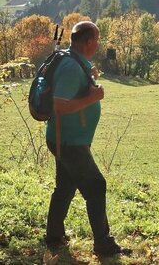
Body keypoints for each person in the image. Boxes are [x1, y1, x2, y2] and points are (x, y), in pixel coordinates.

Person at [44, 21, 127, 257]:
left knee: (65, 187)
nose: (98, 44)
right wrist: (94, 98)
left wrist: (89, 75)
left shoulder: (75, 60)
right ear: (88, 41)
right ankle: (103, 244)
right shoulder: (71, 67)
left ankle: (53, 236)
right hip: (70, 141)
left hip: (66, 138)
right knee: (96, 186)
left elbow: (72, 87)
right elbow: (59, 106)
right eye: (97, 40)